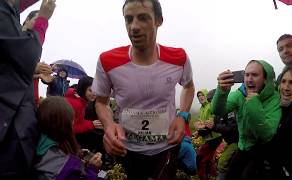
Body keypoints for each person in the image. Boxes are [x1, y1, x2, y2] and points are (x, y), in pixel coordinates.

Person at [92, 0, 195, 179]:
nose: (134, 27)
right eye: (129, 19)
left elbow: (188, 86)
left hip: (167, 146)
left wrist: (182, 115)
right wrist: (109, 125)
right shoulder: (107, 61)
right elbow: (101, 102)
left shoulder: (178, 57)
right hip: (128, 149)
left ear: (158, 21)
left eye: (143, 18)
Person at [0, 0, 55, 178]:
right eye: (35, 19)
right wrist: (43, 19)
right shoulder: (11, 28)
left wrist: (39, 76)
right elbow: (22, 62)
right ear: (24, 22)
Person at [212, 60, 281, 180]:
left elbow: (265, 135)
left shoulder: (274, 98)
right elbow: (218, 111)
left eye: (255, 75)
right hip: (243, 146)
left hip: (262, 150)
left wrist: (253, 103)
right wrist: (222, 92)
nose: (249, 79)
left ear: (265, 79)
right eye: (247, 74)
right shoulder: (240, 94)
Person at [34, 96, 102, 179]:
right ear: (63, 124)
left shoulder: (39, 142)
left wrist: (77, 155)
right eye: (71, 119)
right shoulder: (64, 164)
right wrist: (92, 169)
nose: (73, 123)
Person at [22, 10, 53, 106]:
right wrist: (33, 69)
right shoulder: (12, 37)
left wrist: (42, 73)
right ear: (27, 19)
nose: (39, 24)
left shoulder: (35, 46)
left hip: (30, 101)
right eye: (37, 20)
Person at [64, 76, 103, 149]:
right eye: (90, 90)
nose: (94, 94)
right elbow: (70, 128)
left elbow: (78, 121)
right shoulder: (76, 104)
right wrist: (91, 124)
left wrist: (92, 123)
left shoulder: (79, 100)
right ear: (83, 89)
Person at [195, 89, 221, 180]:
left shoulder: (210, 106)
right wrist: (198, 129)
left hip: (214, 137)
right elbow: (200, 124)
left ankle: (204, 177)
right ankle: (214, 176)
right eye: (198, 96)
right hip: (208, 138)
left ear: (206, 95)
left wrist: (199, 130)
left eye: (202, 95)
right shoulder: (201, 108)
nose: (200, 97)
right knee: (209, 160)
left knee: (200, 159)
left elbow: (210, 125)